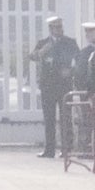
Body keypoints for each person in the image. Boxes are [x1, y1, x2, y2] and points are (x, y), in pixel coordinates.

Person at [29, 17, 79, 159]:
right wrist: (41, 52)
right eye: (55, 28)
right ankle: (49, 149)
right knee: (49, 118)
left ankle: (67, 149)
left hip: (64, 85)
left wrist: (71, 71)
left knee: (66, 118)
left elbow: (79, 60)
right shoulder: (44, 43)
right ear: (50, 29)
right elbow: (32, 56)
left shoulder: (69, 42)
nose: (58, 30)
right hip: (48, 86)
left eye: (60, 27)